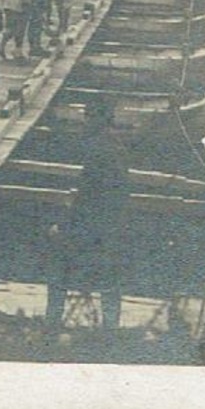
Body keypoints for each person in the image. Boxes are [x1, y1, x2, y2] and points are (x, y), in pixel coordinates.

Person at [46, 100, 131, 330]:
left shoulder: (98, 151)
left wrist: (63, 225)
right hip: (113, 223)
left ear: (96, 121)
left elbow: (88, 197)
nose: (84, 123)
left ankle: (51, 325)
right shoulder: (116, 147)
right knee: (110, 280)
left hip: (95, 225)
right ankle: (110, 328)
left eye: (87, 118)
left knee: (58, 269)